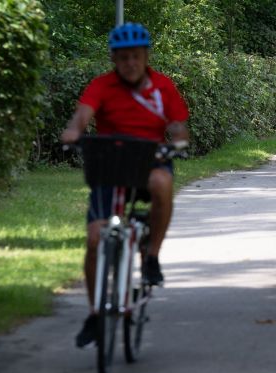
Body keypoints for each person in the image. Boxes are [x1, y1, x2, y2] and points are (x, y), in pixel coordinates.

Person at [61, 22, 190, 348]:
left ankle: (152, 257)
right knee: (95, 238)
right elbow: (82, 116)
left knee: (162, 181)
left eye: (135, 56)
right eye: (123, 57)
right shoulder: (101, 85)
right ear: (114, 59)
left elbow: (178, 128)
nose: (130, 63)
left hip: (149, 160)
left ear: (145, 56)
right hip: (110, 165)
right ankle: (95, 313)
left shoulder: (162, 87)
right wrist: (73, 132)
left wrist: (176, 142)